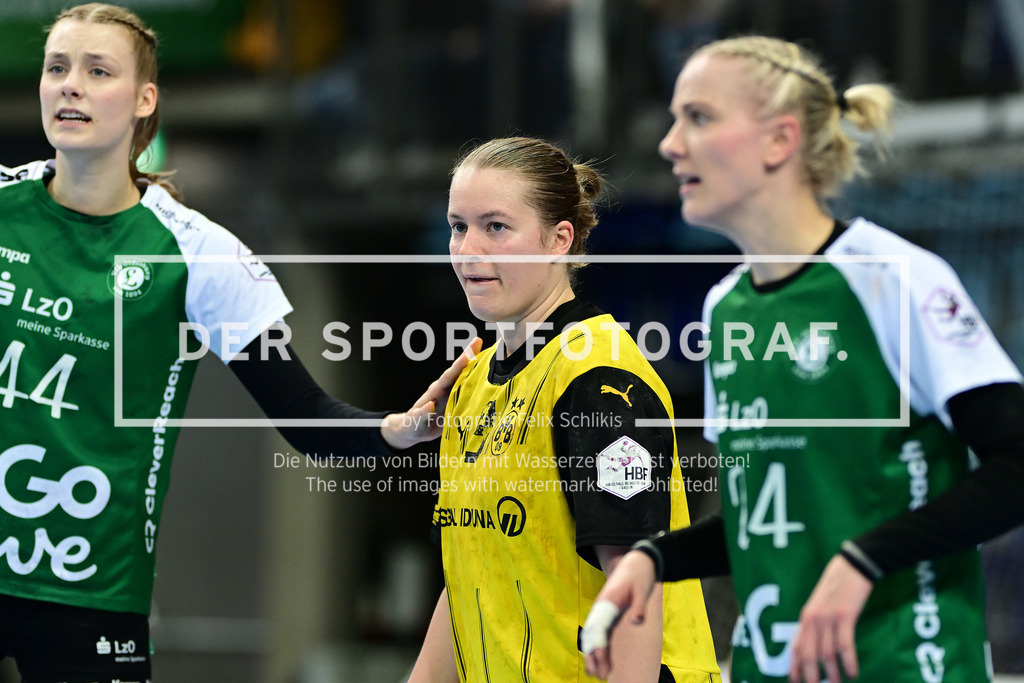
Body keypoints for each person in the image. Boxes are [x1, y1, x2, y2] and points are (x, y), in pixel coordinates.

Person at [0, 4, 477, 682]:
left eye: (96, 70)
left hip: (91, 587)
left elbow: (306, 418)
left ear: (144, 99)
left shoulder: (199, 252)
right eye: (57, 68)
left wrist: (399, 428)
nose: (69, 84)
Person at [579, 35, 1024, 683]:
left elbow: (1017, 463)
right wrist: (653, 557)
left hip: (905, 665)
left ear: (779, 141)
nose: (670, 143)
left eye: (698, 117)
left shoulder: (891, 279)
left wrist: (863, 560)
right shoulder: (727, 307)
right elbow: (769, 512)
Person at [407, 137, 721, 683]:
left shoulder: (599, 381)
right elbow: (467, 584)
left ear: (558, 240)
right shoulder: (471, 383)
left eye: (496, 227)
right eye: (459, 226)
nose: (468, 249)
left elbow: (633, 585)